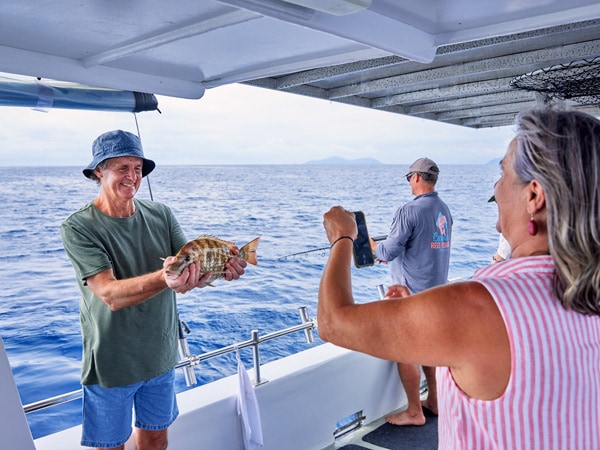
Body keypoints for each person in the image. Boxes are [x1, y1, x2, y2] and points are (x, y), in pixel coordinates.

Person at [318, 108, 600, 448]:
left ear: (534, 196)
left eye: (503, 173)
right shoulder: (588, 295)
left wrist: (342, 239)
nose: (495, 188)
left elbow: (333, 322)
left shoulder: (480, 307)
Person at [60, 130, 247, 450]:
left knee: (156, 439)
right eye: (122, 168)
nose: (132, 177)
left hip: (160, 355)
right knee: (111, 447)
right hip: (112, 362)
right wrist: (166, 278)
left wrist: (220, 270)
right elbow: (109, 295)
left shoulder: (161, 214)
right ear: (98, 172)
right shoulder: (78, 226)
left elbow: (188, 275)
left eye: (137, 168)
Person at [369, 157, 452, 426]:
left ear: (416, 178)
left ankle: (415, 411)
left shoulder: (409, 211)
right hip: (437, 295)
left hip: (411, 296)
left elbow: (388, 250)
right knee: (429, 350)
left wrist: (370, 244)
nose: (409, 183)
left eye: (408, 178)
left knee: (406, 351)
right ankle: (436, 402)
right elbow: (422, 245)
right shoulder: (443, 210)